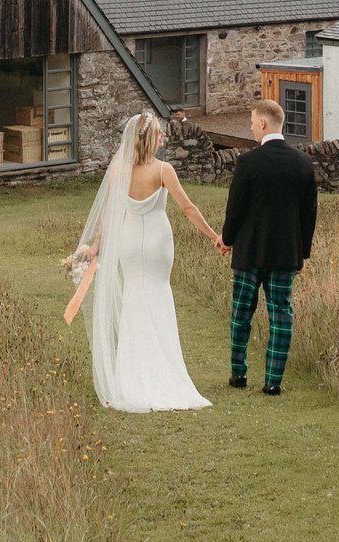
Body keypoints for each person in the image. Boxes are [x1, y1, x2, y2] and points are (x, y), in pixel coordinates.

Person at [65, 111, 225, 413]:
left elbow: (108, 213)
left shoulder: (117, 172)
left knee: (133, 302)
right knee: (158, 297)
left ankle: (131, 376)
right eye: (160, 134)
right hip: (156, 243)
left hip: (127, 243)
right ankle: (162, 371)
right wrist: (213, 235)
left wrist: (97, 244)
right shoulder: (163, 171)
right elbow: (188, 208)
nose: (163, 138)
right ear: (151, 138)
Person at [219, 97, 317, 395]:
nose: (251, 127)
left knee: (241, 314)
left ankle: (239, 375)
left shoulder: (248, 162)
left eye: (251, 122)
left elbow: (235, 207)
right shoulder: (303, 163)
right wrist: (302, 253)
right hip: (286, 253)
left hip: (250, 251)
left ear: (263, 123)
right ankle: (273, 382)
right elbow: (309, 213)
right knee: (281, 315)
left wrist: (227, 238)